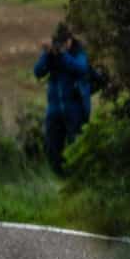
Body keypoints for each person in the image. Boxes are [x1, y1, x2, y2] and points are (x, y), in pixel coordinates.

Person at [34, 23, 93, 174]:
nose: (61, 45)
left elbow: (81, 69)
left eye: (63, 42)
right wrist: (48, 54)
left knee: (76, 148)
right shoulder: (52, 53)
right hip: (54, 110)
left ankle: (76, 180)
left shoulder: (78, 52)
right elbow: (38, 71)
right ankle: (59, 179)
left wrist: (62, 55)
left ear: (69, 41)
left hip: (75, 109)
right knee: (52, 149)